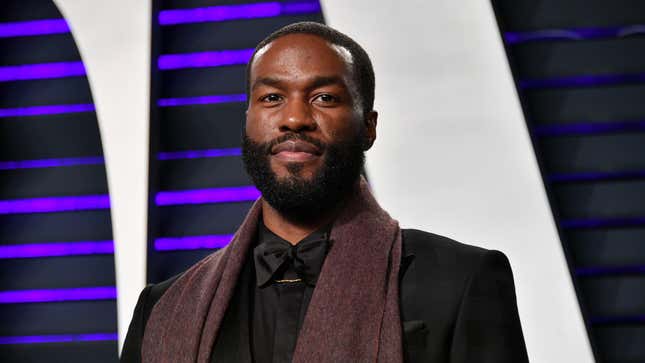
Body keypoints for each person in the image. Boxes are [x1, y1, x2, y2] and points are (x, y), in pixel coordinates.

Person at [121, 22, 528, 363]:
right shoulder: (163, 308)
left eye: (324, 98)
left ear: (368, 126)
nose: (295, 118)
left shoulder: (462, 280)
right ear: (248, 120)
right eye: (272, 98)